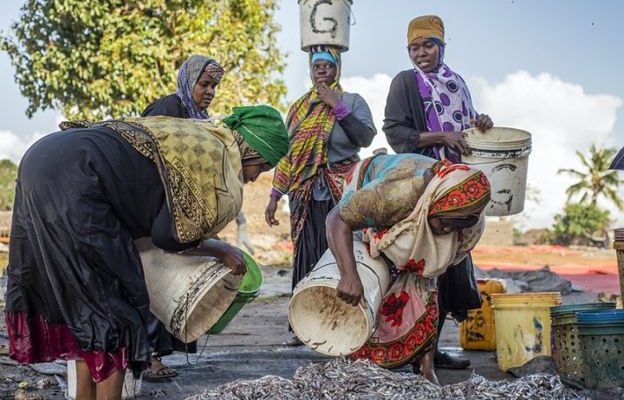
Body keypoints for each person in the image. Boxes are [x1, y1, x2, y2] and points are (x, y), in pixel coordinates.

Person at [4, 106, 288, 400]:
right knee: (118, 317)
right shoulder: (215, 158)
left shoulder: (193, 134)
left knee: (84, 311)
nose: (254, 178)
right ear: (251, 150)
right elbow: (169, 235)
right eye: (262, 167)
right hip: (77, 176)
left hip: (42, 159)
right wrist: (220, 249)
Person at [382, 15, 494, 369]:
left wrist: (481, 123)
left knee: (450, 267)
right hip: (423, 183)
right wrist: (441, 137)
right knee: (425, 265)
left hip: (457, 182)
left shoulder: (456, 83)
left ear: (442, 47)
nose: (421, 53)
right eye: (414, 47)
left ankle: (432, 347)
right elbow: (396, 131)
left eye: (428, 45)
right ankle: (418, 354)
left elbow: (467, 128)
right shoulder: (406, 83)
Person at [326, 153, 491, 384]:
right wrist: (349, 275)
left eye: (452, 228)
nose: (445, 231)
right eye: (443, 223)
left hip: (418, 213)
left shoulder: (469, 225)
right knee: (371, 280)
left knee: (423, 289)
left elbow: (431, 283)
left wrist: (427, 367)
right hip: (372, 186)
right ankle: (358, 352)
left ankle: (424, 366)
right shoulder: (395, 195)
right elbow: (336, 220)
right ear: (431, 207)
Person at [264, 46, 376, 345]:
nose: (322, 70)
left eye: (327, 65)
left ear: (337, 68)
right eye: (317, 67)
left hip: (342, 187)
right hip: (305, 191)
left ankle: (345, 320)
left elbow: (365, 137)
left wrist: (337, 107)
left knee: (343, 253)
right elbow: (288, 154)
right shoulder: (300, 108)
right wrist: (275, 194)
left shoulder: (352, 101)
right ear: (311, 72)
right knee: (306, 255)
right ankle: (303, 326)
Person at [141, 54, 227, 381]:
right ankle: (147, 358)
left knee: (171, 284)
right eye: (204, 84)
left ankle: (156, 355)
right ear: (187, 81)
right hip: (154, 212)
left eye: (214, 86)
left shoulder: (199, 118)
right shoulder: (167, 110)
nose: (209, 91)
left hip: (172, 212)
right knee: (157, 285)